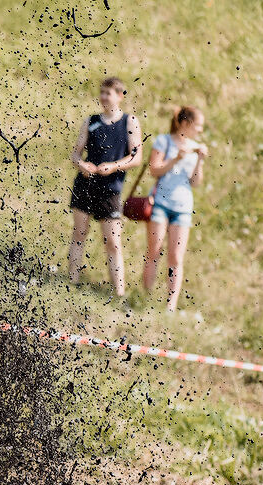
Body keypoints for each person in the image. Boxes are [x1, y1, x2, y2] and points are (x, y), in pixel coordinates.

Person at [68, 77, 142, 297]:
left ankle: (119, 292)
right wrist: (82, 165)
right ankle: (72, 282)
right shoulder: (90, 121)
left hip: (111, 188)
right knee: (79, 233)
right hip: (86, 184)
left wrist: (113, 166)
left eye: (107, 93)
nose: (103, 97)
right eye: (101, 92)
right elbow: (75, 154)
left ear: (120, 96)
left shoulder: (129, 122)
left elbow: (136, 157)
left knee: (113, 241)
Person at [142, 106, 208, 312]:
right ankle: (145, 297)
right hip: (161, 203)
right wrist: (176, 159)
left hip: (183, 208)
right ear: (186, 124)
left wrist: (199, 161)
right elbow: (154, 169)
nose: (200, 130)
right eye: (198, 126)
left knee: (176, 257)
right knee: (154, 250)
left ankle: (170, 305)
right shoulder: (164, 141)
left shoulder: (195, 147)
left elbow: (196, 182)